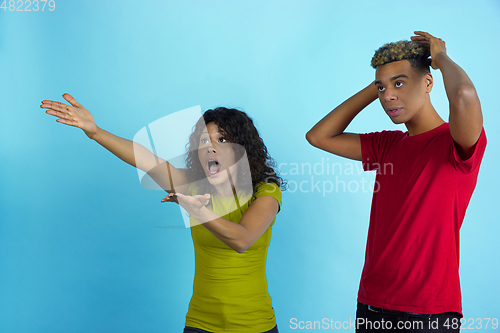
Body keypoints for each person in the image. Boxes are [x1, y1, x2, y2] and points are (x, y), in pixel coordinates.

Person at [41, 97, 285, 333]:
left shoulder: (265, 190)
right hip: (201, 324)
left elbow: (241, 240)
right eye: (203, 141)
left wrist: (197, 210)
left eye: (222, 139)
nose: (210, 147)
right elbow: (147, 160)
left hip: (255, 326)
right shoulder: (193, 185)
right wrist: (96, 132)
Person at [306, 31, 486, 332]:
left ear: (428, 83)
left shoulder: (455, 142)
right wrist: (381, 83)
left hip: (427, 312)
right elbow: (318, 136)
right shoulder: (387, 145)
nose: (388, 95)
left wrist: (439, 58)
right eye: (382, 88)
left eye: (399, 83)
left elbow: (464, 95)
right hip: (372, 303)